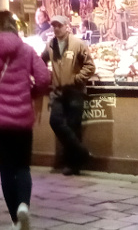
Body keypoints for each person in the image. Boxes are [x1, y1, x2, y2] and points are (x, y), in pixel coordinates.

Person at [0, 11, 51, 230]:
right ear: (14, 26)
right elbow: (44, 77)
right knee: (23, 166)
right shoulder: (26, 50)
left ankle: (16, 221)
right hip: (22, 117)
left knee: (6, 169)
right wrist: (32, 93)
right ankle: (24, 206)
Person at [41, 15, 96, 176]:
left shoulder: (78, 44)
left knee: (73, 126)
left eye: (59, 25)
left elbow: (90, 66)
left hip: (75, 91)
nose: (56, 28)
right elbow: (40, 61)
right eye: (54, 26)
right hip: (58, 91)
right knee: (55, 121)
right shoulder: (50, 45)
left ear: (67, 26)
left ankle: (73, 165)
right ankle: (82, 153)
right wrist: (46, 75)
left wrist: (76, 79)